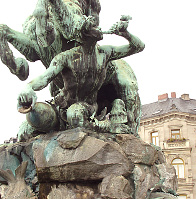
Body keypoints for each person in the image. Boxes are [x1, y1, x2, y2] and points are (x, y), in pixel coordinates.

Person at [17, 17, 145, 128]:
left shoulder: (105, 53)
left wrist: (125, 33)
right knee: (35, 117)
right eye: (93, 26)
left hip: (86, 107)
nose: (98, 28)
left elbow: (138, 46)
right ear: (83, 34)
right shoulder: (66, 57)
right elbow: (45, 77)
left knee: (75, 115)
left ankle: (101, 127)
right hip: (61, 104)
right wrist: (28, 87)